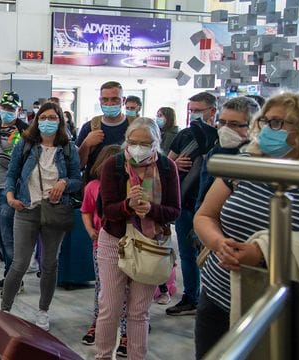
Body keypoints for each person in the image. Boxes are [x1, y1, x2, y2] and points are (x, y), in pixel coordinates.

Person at [193, 93, 299, 359]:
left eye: (278, 123)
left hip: (278, 303)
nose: (267, 130)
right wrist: (219, 243)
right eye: (265, 122)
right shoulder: (244, 164)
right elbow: (205, 215)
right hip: (218, 294)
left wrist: (261, 254)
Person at [95, 117, 181, 360]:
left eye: (145, 143)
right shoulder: (114, 164)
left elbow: (175, 210)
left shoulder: (166, 167)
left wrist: (150, 209)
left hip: (150, 243)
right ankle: (102, 356)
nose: (138, 148)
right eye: (133, 142)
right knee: (109, 307)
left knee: (139, 310)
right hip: (115, 240)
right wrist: (128, 206)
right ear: (126, 141)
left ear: (157, 143)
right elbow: (106, 211)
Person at [2, 101, 82, 331]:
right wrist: (9, 196)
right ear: (37, 120)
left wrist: (65, 182)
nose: (48, 121)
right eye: (43, 117)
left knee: (49, 263)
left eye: (53, 117)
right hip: (26, 208)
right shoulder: (26, 144)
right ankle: (4, 309)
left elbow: (78, 180)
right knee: (19, 263)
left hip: (54, 211)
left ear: (60, 121)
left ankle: (43, 311)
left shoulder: (69, 149)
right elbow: (12, 173)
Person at [166, 92, 218, 316]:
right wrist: (175, 164)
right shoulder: (185, 135)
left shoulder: (221, 138)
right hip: (186, 202)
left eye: (198, 109)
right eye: (191, 110)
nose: (194, 114)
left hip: (215, 205)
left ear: (212, 111)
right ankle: (191, 296)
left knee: (216, 254)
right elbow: (166, 163)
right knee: (187, 254)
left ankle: (216, 299)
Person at [0, 91, 29, 290]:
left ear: (18, 110)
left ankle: (15, 280)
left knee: (9, 236)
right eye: (5, 108)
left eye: (12, 109)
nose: (7, 112)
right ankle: (9, 274)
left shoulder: (25, 131)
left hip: (9, 191)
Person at [79, 144, 123, 347]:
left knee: (127, 290)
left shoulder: (129, 186)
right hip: (101, 244)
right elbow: (86, 210)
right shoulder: (92, 187)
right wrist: (89, 230)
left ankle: (126, 328)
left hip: (127, 244)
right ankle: (98, 322)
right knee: (102, 287)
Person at [195, 96, 260, 211]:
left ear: (253, 126)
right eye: (222, 122)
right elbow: (203, 195)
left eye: (234, 124)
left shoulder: (258, 158)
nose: (225, 129)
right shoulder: (214, 153)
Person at [77, 81, 130, 179]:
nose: (109, 103)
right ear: (100, 100)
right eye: (105, 99)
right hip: (95, 185)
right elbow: (78, 166)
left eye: (115, 99)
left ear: (123, 100)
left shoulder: (134, 126)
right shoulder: (89, 127)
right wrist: (86, 144)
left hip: (128, 185)